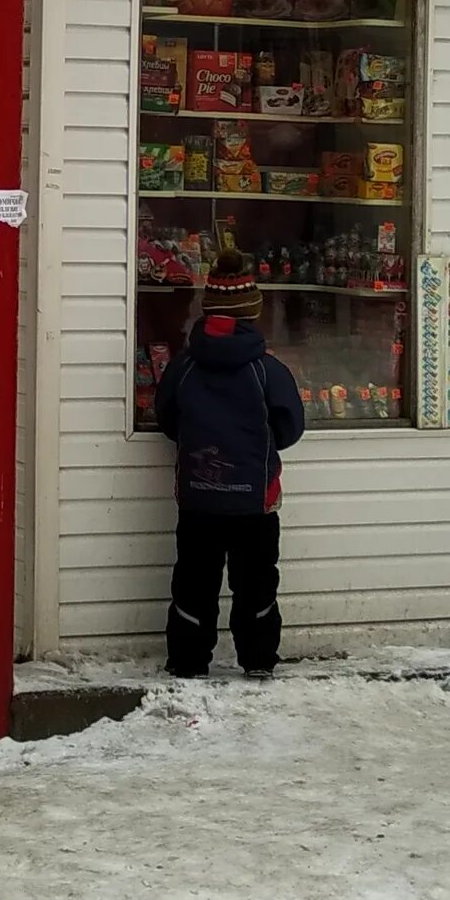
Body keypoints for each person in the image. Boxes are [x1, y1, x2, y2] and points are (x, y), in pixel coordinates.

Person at [156, 250, 305, 677]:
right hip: (254, 502)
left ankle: (187, 662)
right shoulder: (267, 370)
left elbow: (168, 421)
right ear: (252, 313)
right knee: (257, 582)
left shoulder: (183, 367)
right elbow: (290, 427)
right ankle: (258, 660)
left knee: (193, 582)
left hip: (198, 500)